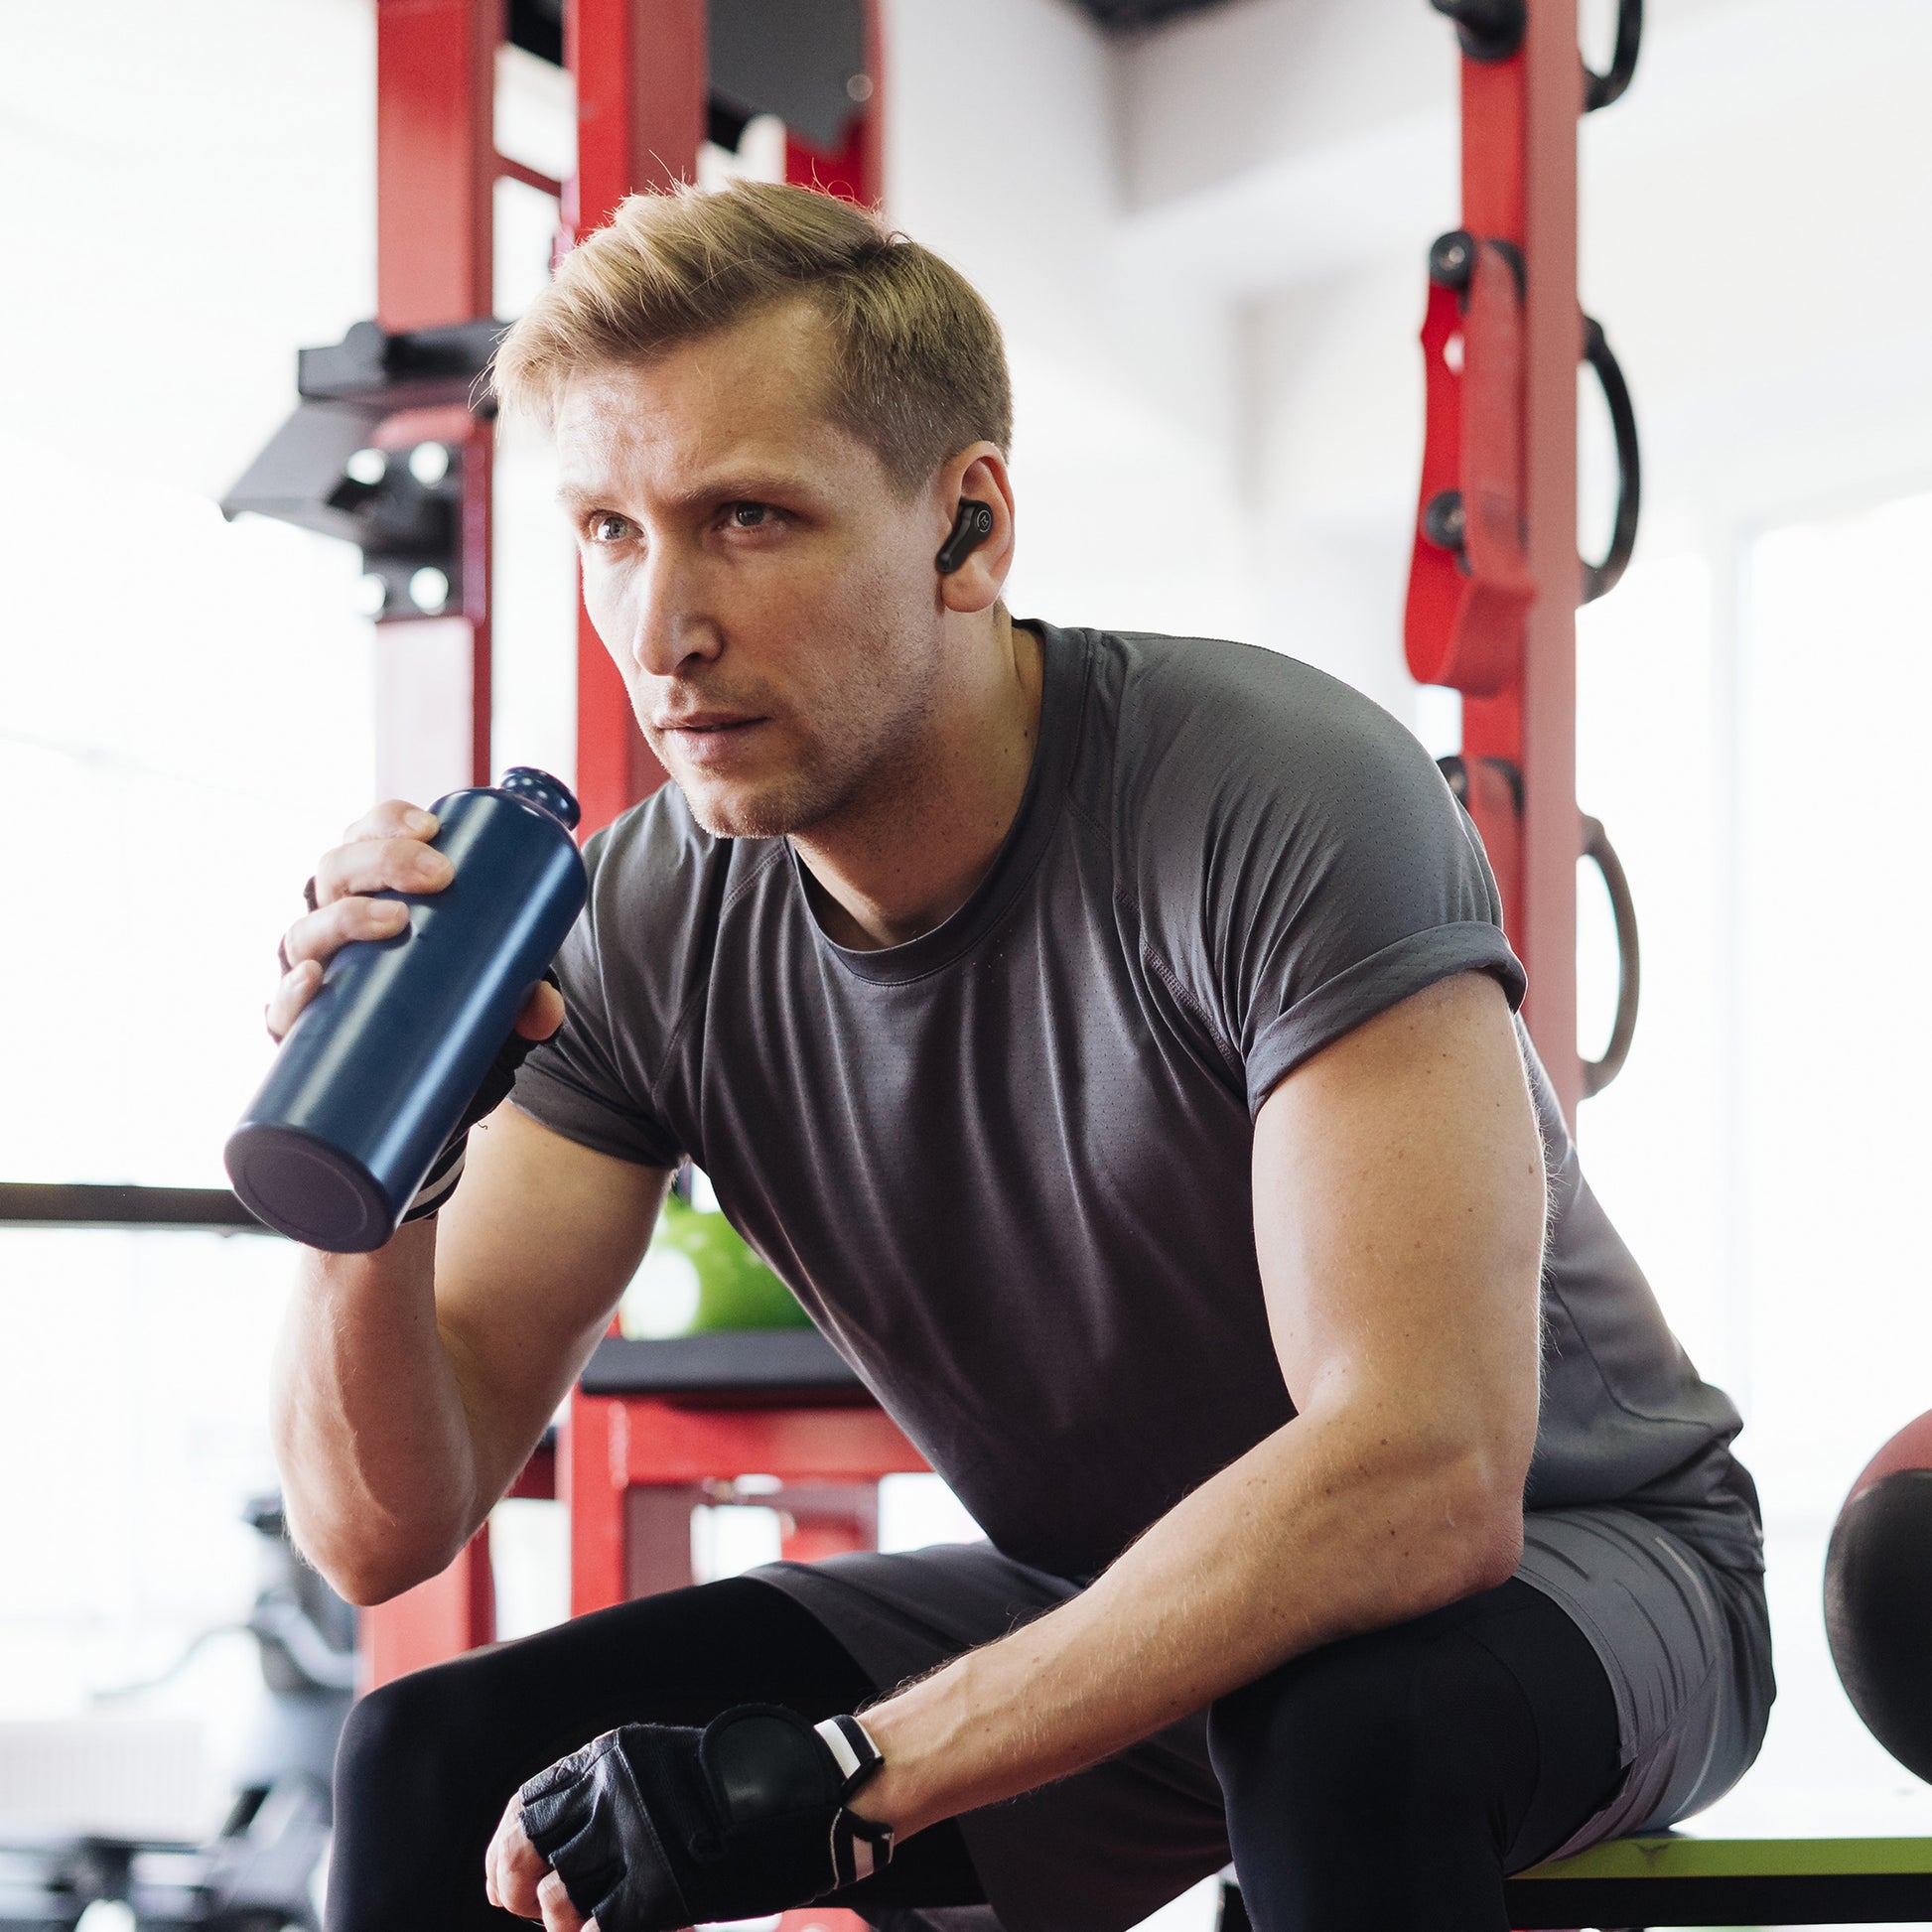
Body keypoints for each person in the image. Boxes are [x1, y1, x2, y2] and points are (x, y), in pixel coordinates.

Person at [266, 180, 1772, 1932]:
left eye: (747, 517)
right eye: (609, 529)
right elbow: (380, 1527)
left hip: (1571, 1567)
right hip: (1086, 1584)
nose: (661, 627)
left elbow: (1422, 1478)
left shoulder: (1278, 793)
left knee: (1338, 1736)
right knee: (431, 1764)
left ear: (965, 528)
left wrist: (847, 1772)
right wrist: (374, 1171)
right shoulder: (639, 923)